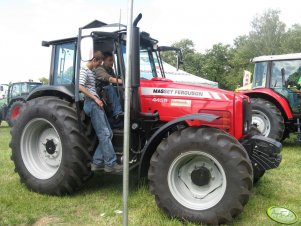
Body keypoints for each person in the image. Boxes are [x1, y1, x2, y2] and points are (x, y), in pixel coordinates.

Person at [79, 51, 123, 173]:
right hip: (92, 103)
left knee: (109, 133)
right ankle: (111, 164)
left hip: (96, 103)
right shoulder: (84, 70)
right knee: (104, 134)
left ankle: (97, 162)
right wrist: (95, 98)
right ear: (94, 60)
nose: (99, 66)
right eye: (98, 63)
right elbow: (80, 86)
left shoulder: (91, 72)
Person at [94, 52, 123, 121]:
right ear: (104, 61)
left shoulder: (110, 70)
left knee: (120, 89)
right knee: (110, 88)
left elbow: (116, 80)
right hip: (98, 91)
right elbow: (110, 79)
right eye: (110, 60)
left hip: (105, 91)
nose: (112, 62)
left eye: (113, 60)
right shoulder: (99, 69)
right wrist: (124, 81)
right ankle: (117, 113)